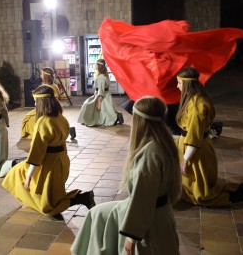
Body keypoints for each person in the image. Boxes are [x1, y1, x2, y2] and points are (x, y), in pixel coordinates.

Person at [71, 96, 181, 255]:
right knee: (97, 213)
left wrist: (131, 237)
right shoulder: (164, 142)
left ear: (140, 121)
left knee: (98, 217)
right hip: (158, 210)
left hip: (146, 217)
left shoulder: (150, 153)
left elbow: (143, 199)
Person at [2, 85, 95, 216]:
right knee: (50, 195)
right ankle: (34, 201)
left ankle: (81, 198)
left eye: (35, 101)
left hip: (48, 165)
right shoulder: (61, 118)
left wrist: (29, 177)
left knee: (48, 207)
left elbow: (36, 153)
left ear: (42, 103)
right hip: (61, 161)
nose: (34, 104)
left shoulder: (42, 122)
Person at [175, 66, 243, 206]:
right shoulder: (193, 99)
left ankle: (237, 195)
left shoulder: (197, 105)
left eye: (179, 82)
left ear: (186, 84)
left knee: (201, 195)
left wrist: (185, 160)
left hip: (195, 151)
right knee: (190, 187)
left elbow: (194, 136)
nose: (177, 86)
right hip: (192, 147)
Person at [77, 59, 122, 127]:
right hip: (105, 95)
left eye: (96, 64)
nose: (95, 65)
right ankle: (116, 116)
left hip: (101, 96)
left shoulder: (101, 77)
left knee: (87, 105)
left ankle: (87, 119)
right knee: (107, 112)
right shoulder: (105, 75)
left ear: (99, 66)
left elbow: (101, 90)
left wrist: (99, 101)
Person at [21, 67, 60, 139]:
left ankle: (36, 133)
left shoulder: (52, 87)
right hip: (45, 108)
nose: (41, 76)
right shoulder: (52, 86)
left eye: (42, 74)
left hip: (47, 109)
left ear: (45, 76)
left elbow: (52, 101)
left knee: (29, 118)